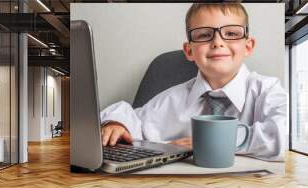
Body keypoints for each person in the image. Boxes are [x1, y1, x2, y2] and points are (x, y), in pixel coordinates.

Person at [100, 2, 287, 161]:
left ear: (248, 46)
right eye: (204, 35)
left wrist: (210, 139)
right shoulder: (172, 98)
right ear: (189, 51)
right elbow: (133, 119)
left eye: (231, 34)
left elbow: (281, 135)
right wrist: (117, 123)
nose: (218, 42)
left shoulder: (268, 90)